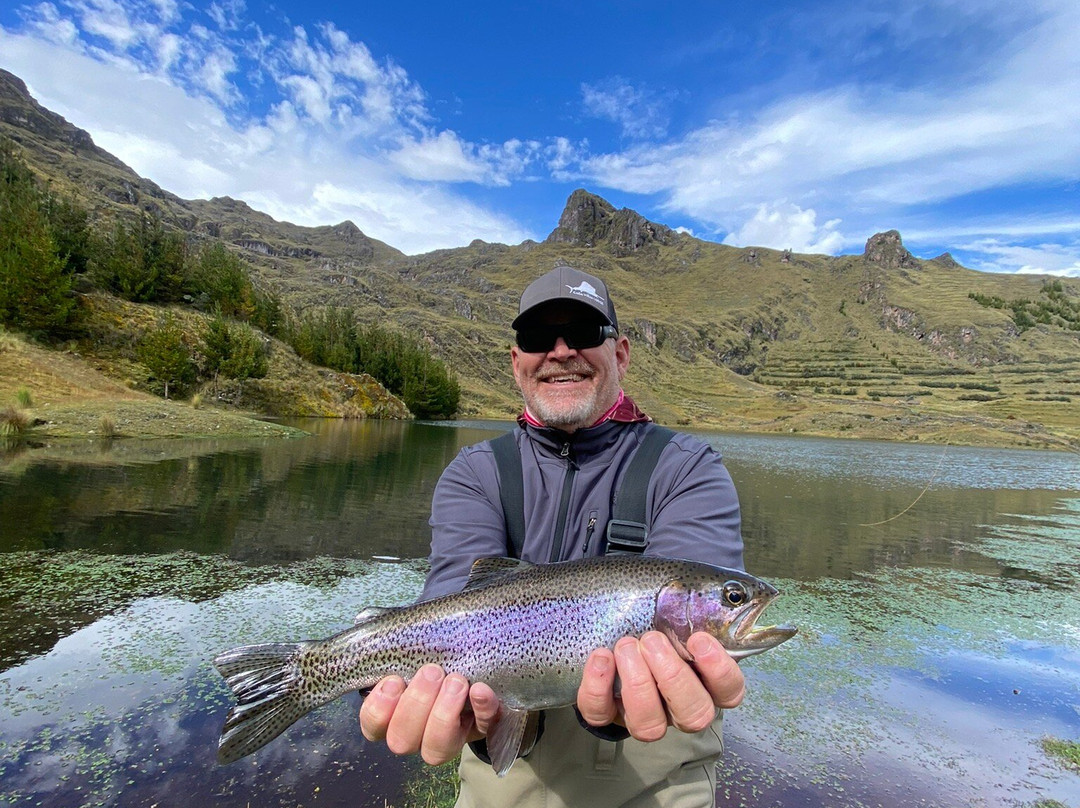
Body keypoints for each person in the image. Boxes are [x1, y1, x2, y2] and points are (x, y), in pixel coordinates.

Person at [360, 265, 746, 808]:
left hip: (655, 786)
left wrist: (626, 707)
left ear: (622, 354)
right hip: (501, 785)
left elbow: (690, 628)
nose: (561, 351)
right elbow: (445, 609)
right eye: (539, 338)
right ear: (517, 362)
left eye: (585, 335)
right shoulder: (475, 474)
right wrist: (459, 713)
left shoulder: (686, 468)